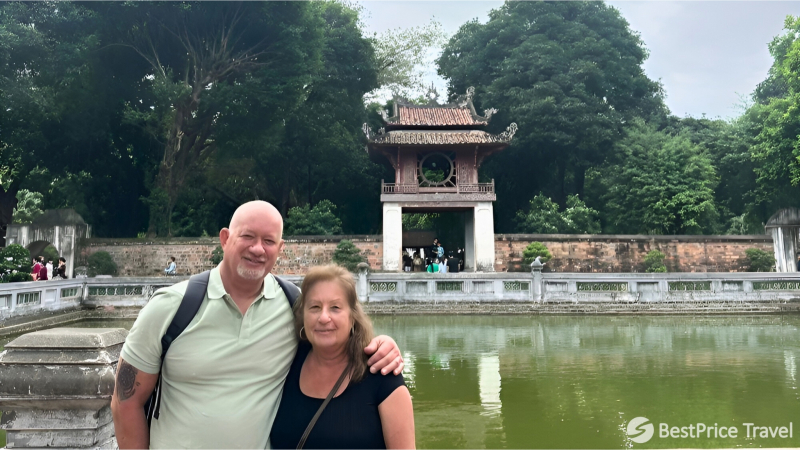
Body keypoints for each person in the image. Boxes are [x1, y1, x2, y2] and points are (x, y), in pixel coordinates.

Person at [111, 201, 403, 449]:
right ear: (225, 238)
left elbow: (333, 338)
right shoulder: (171, 307)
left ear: (280, 248)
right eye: (247, 236)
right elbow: (125, 402)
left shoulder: (293, 307)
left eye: (268, 241)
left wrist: (382, 345)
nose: (257, 249)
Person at [270, 265, 415, 449]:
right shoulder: (286, 363)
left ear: (352, 317)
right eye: (314, 307)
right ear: (303, 316)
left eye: (335, 308)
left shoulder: (381, 373)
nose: (323, 317)